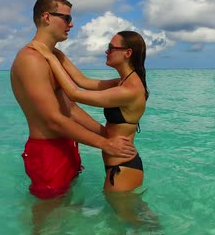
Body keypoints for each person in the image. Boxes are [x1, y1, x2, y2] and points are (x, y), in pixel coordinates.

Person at [10, 0, 137, 201]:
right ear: (47, 17)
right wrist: (105, 144)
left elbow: (71, 108)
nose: (71, 24)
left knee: (69, 213)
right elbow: (53, 120)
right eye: (67, 18)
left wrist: (107, 134)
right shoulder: (30, 60)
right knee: (48, 222)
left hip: (68, 145)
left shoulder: (55, 56)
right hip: (47, 151)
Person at [29, 30, 149, 192]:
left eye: (111, 48)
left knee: (128, 217)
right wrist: (56, 52)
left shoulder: (129, 90)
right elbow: (82, 81)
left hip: (123, 168)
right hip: (119, 165)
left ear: (127, 53)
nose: (106, 51)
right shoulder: (122, 83)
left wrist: (50, 58)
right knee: (122, 216)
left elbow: (74, 94)